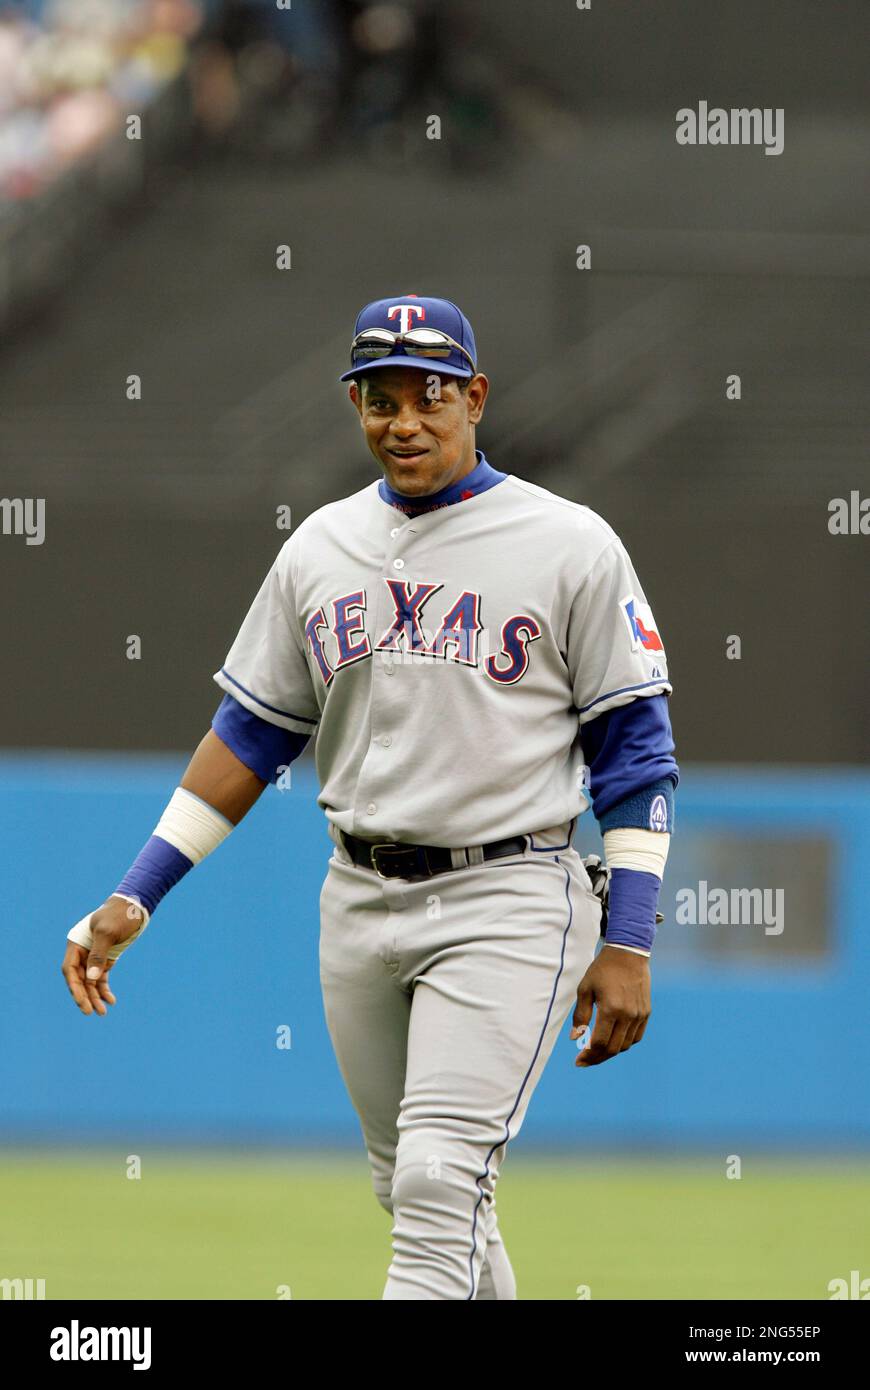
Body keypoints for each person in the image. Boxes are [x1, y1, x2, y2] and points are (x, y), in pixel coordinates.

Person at [62, 293, 679, 1300]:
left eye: (429, 395)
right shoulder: (319, 547)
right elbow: (253, 734)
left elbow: (635, 752)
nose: (403, 421)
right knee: (425, 1193)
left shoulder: (570, 542)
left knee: (441, 1183)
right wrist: (139, 891)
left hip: (509, 893)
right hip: (357, 895)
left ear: (475, 397)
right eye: (378, 398)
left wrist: (633, 938)